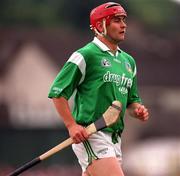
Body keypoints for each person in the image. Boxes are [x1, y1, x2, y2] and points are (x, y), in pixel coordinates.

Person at [48, 2, 149, 176]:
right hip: (92, 135)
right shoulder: (86, 55)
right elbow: (57, 93)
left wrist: (137, 110)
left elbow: (132, 100)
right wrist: (71, 125)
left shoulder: (128, 62)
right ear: (100, 25)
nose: (124, 25)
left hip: (115, 138)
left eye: (124, 20)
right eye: (117, 20)